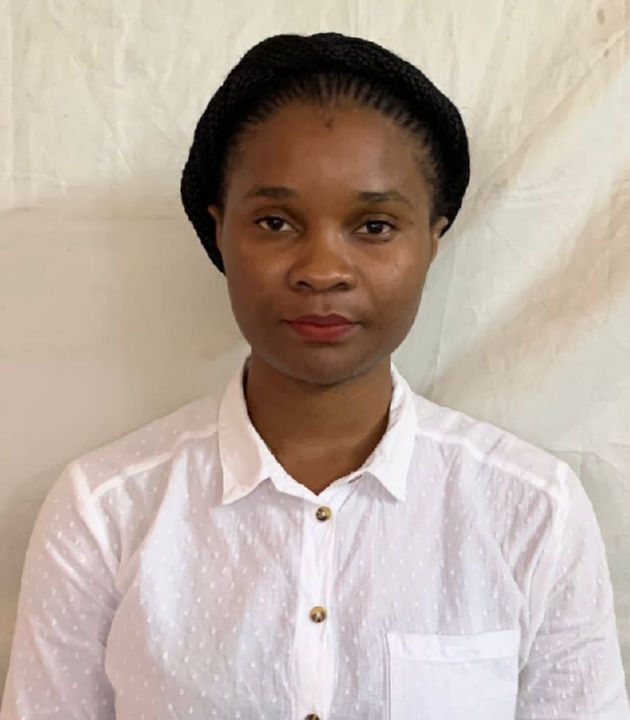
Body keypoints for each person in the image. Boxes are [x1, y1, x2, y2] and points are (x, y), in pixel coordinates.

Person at [1, 32, 628, 720]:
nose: (323, 270)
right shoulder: (105, 512)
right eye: (275, 222)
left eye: (375, 226)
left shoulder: (531, 512)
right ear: (220, 232)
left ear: (433, 238)